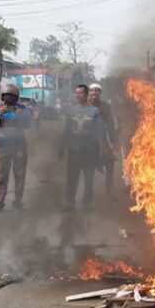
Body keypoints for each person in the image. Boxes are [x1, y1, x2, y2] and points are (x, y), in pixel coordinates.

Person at [59, 84, 102, 212]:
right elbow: (66, 131)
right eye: (77, 93)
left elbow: (98, 132)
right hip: (73, 150)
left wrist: (100, 150)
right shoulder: (71, 111)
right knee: (72, 178)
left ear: (86, 94)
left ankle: (87, 203)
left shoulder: (94, 111)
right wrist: (62, 147)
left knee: (89, 178)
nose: (78, 95)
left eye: (81, 93)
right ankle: (70, 203)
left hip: (89, 150)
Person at [0, 83, 32, 214]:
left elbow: (28, 124)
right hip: (3, 145)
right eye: (6, 96)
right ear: (2, 97)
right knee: (0, 176)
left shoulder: (23, 109)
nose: (8, 98)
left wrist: (21, 117)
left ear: (16, 97)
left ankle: (18, 201)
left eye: (11, 96)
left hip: (19, 144)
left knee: (19, 174)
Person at [89, 83, 118, 195]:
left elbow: (110, 125)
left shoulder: (106, 106)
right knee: (88, 167)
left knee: (110, 162)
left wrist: (113, 141)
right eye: (92, 90)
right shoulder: (84, 106)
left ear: (100, 93)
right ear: (89, 93)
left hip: (102, 140)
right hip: (88, 141)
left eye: (97, 90)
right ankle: (89, 192)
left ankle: (108, 190)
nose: (94, 93)